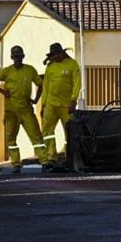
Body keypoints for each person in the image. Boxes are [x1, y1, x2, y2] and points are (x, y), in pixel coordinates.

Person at [0, 45, 45, 174]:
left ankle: (45, 161)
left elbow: (40, 84)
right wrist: (2, 91)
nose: (17, 59)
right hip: (11, 111)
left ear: (23, 57)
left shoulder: (30, 70)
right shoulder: (7, 72)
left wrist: (35, 100)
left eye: (19, 56)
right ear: (12, 58)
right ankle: (16, 164)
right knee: (11, 138)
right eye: (15, 57)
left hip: (26, 109)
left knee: (36, 136)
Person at [39, 42, 81, 170]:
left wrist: (73, 100)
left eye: (58, 53)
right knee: (47, 131)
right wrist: (43, 105)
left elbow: (77, 82)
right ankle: (51, 157)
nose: (56, 56)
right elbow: (45, 87)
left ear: (62, 53)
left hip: (66, 105)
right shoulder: (50, 67)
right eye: (53, 54)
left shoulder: (72, 64)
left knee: (69, 131)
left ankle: (70, 157)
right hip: (51, 105)